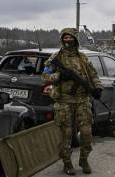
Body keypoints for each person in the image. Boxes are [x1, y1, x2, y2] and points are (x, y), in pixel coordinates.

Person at [42, 28, 103, 175]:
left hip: (82, 100)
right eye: (65, 37)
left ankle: (84, 159)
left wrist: (98, 88)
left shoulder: (82, 58)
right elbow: (45, 76)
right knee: (66, 134)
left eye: (70, 38)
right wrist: (59, 76)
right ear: (62, 39)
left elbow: (93, 75)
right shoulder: (56, 57)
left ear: (76, 39)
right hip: (64, 101)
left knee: (87, 132)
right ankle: (67, 163)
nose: (68, 40)